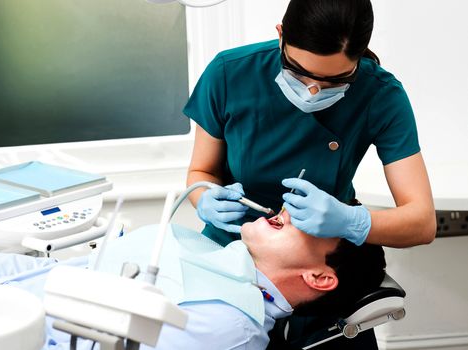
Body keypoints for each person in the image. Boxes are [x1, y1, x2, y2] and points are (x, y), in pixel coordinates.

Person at [184, 0, 435, 347]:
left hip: (314, 268)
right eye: (298, 72)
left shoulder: (381, 95)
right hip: (230, 256)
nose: (313, 89)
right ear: (281, 36)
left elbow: (422, 222)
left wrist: (351, 221)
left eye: (336, 80)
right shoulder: (229, 73)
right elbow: (202, 171)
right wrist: (204, 197)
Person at [0, 210, 386, 350]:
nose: (290, 211)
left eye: (316, 221)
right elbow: (47, 274)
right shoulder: (195, 247)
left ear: (319, 276)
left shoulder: (227, 325)